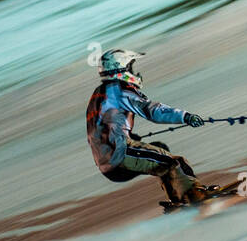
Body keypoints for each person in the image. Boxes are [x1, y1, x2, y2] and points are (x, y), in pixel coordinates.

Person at [85, 48, 219, 207]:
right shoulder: (119, 90)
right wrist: (185, 116)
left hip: (106, 162)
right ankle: (195, 195)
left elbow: (101, 128)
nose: (134, 71)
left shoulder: (99, 94)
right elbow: (152, 110)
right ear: (122, 69)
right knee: (173, 162)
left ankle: (178, 199)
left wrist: (130, 137)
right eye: (130, 67)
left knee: (160, 149)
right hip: (119, 155)